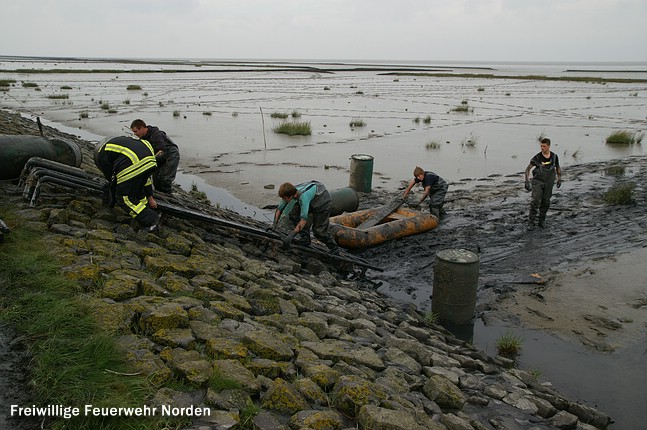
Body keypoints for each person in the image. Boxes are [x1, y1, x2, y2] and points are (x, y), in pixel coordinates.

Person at [95, 135, 160, 232]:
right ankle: (145, 208)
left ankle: (151, 219)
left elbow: (113, 181)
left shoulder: (102, 157)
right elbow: (145, 180)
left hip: (133, 162)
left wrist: (111, 201)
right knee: (138, 186)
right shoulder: (119, 141)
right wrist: (150, 196)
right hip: (150, 159)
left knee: (124, 198)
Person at [274, 181, 339, 254]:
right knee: (293, 214)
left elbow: (303, 220)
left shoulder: (303, 197)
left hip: (322, 200)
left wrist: (291, 235)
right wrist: (274, 225)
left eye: (284, 198)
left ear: (289, 196)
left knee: (319, 230)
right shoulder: (291, 191)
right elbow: (279, 209)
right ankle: (305, 239)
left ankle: (334, 248)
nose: (284, 201)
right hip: (312, 196)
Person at [130, 119, 180, 194]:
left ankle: (168, 196)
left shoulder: (156, 135)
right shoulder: (144, 138)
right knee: (156, 179)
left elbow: (161, 151)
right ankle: (159, 195)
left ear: (141, 128)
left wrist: (150, 161)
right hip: (160, 157)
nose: (135, 134)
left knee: (165, 179)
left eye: (135, 131)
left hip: (171, 155)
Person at [525, 137, 562, 229]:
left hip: (549, 182)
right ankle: (531, 222)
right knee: (536, 200)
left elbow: (557, 167)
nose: (542, 148)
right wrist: (526, 181)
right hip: (538, 181)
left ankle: (542, 221)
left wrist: (559, 178)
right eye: (541, 146)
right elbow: (528, 169)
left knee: (546, 201)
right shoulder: (537, 157)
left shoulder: (554, 157)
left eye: (544, 146)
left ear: (549, 146)